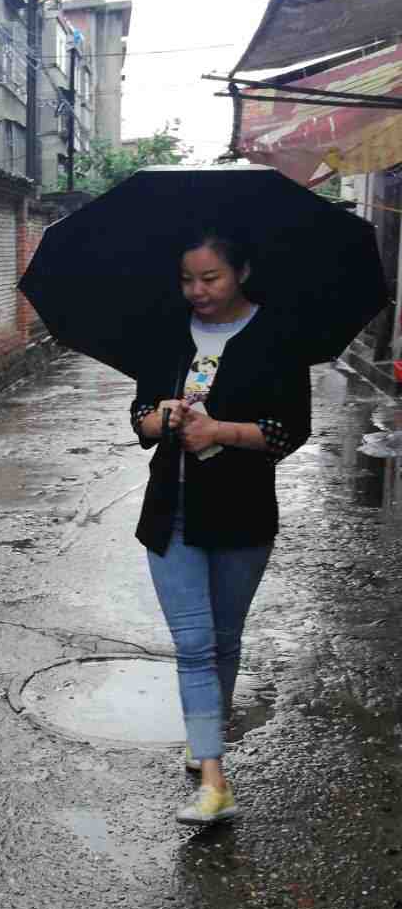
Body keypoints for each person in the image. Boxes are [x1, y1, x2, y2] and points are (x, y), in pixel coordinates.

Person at [132, 232, 311, 826]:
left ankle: (205, 732)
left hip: (241, 513)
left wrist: (220, 432)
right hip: (171, 513)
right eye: (187, 279)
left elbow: (291, 429)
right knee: (193, 643)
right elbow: (140, 416)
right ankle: (214, 779)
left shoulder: (277, 334)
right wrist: (163, 418)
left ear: (242, 272)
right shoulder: (167, 330)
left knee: (225, 638)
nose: (197, 291)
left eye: (210, 278)